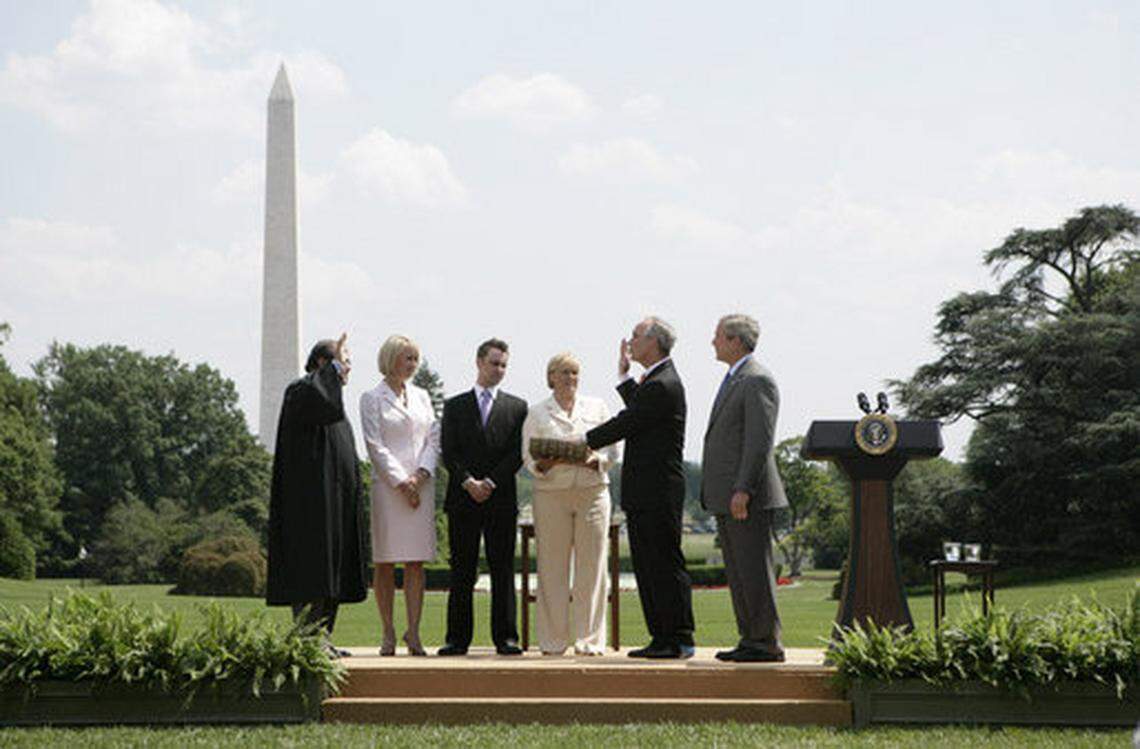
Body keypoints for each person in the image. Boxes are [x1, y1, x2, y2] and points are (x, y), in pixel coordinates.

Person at [585, 317, 695, 659]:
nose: (629, 341)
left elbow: (629, 421)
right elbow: (641, 410)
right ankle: (662, 636)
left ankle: (677, 637)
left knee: (662, 563)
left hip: (658, 490)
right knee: (648, 566)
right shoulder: (655, 382)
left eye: (636, 335)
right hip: (646, 491)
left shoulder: (663, 383)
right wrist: (624, 377)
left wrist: (582, 442)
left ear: (654, 342)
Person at [266, 334, 368, 655]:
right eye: (343, 362)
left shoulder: (336, 409)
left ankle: (323, 638)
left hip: (336, 507)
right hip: (309, 508)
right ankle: (307, 640)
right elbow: (317, 395)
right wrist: (332, 368)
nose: (348, 369)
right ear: (323, 364)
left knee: (333, 574)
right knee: (311, 571)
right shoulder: (300, 392)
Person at [701, 314, 788, 662]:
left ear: (736, 340)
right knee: (739, 574)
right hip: (729, 496)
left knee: (753, 571)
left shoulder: (756, 380)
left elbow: (758, 442)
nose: (713, 342)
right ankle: (751, 639)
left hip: (746, 496)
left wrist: (743, 489)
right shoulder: (735, 379)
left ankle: (765, 642)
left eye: (718, 336)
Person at [522, 352, 619, 655]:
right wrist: (547, 463)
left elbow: (613, 452)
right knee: (552, 568)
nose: (570, 379)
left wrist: (596, 460)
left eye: (574, 373)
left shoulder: (597, 407)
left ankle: (590, 640)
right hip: (551, 494)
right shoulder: (537, 412)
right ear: (550, 376)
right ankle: (552, 641)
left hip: (593, 492)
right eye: (563, 372)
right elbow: (528, 456)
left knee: (592, 569)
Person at [438, 338, 529, 656]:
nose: (499, 370)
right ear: (478, 362)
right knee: (462, 569)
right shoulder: (454, 406)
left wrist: (489, 482)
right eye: (494, 363)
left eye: (504, 364)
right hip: (463, 498)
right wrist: (468, 482)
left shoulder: (517, 408)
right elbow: (448, 452)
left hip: (501, 498)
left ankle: (506, 638)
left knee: (502, 569)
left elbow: (517, 453)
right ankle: (456, 639)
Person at [359, 335, 440, 657]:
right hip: (389, 489)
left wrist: (420, 475)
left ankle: (414, 633)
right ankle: (388, 632)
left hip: (421, 485)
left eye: (415, 359)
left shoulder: (422, 397)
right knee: (384, 561)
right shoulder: (371, 398)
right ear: (391, 359)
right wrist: (401, 482)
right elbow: (374, 444)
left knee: (415, 561)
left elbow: (433, 439)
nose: (412, 365)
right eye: (407, 358)